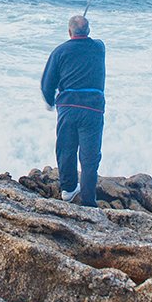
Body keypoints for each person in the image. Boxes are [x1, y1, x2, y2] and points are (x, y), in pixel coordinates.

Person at [40, 14, 105, 207]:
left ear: (69, 32)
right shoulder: (99, 48)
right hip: (93, 109)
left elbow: (47, 83)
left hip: (68, 108)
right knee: (90, 156)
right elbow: (96, 42)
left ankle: (68, 190)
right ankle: (88, 200)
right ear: (89, 31)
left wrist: (51, 102)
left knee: (66, 149)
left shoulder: (60, 52)